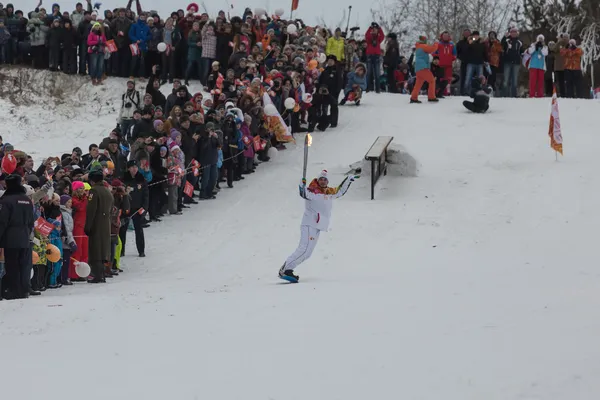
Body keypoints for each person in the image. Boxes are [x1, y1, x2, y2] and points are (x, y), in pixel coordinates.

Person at [279, 170, 356, 283]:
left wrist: (349, 179)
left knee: (308, 253)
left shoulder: (329, 193)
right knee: (304, 249)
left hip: (317, 226)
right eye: (321, 179)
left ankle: (288, 269)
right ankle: (285, 269)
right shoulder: (311, 191)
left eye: (325, 179)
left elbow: (340, 191)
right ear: (317, 180)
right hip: (310, 223)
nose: (323, 181)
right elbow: (303, 193)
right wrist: (302, 184)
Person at [0, 174, 34, 300]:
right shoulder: (27, 200)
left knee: (12, 265)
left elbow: (2, 221)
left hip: (10, 237)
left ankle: (14, 290)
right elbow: (32, 220)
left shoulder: (6, 200)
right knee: (23, 265)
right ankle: (24, 290)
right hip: (25, 235)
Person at [84, 169, 113, 283]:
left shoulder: (94, 191)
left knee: (95, 249)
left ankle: (97, 274)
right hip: (106, 223)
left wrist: (88, 226)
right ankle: (101, 274)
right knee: (103, 249)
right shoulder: (107, 191)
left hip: (96, 223)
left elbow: (91, 210)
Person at [410, 35, 438, 104]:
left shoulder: (418, 46)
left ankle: (413, 98)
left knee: (418, 84)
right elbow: (432, 49)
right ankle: (431, 97)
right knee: (432, 81)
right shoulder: (423, 46)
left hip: (418, 68)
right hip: (423, 67)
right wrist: (436, 43)